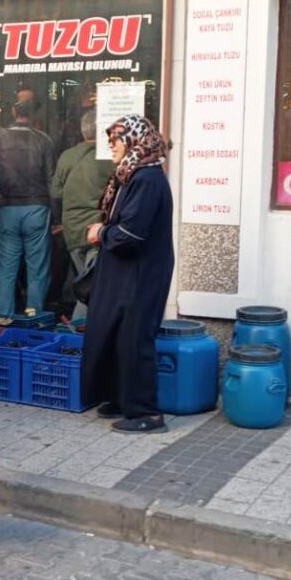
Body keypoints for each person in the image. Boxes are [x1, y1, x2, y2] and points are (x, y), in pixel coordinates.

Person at [82, 115, 174, 434]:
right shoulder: (130, 175)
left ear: (134, 141)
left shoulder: (147, 179)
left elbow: (131, 234)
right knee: (118, 333)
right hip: (126, 271)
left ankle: (146, 411)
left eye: (115, 141)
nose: (111, 147)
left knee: (135, 338)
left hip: (142, 272)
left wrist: (100, 233)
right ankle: (122, 399)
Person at [0, 95, 56, 315]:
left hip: (6, 208)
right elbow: (51, 179)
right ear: (33, 114)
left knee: (6, 271)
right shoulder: (44, 140)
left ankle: (3, 319)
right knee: (37, 270)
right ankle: (33, 317)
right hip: (37, 208)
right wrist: (56, 214)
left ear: (14, 113)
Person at [52, 110, 115, 320]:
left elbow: (56, 192)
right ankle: (82, 336)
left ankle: (80, 334)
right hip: (98, 230)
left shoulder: (67, 156)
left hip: (72, 232)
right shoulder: (109, 158)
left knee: (86, 283)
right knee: (93, 288)